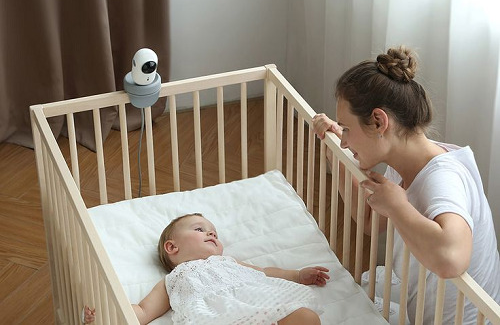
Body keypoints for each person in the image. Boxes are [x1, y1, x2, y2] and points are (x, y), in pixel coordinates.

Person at [312, 45, 500, 324]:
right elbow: (370, 220)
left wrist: (399, 205)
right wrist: (336, 155)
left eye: (347, 129)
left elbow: (452, 257)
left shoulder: (442, 178)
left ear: (378, 122)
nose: (345, 141)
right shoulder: (405, 160)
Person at [84, 213, 329, 325]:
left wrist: (297, 275)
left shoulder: (229, 262)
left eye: (214, 232)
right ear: (172, 247)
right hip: (215, 317)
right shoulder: (174, 279)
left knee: (306, 317)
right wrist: (107, 313)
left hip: (259, 308)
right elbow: (142, 311)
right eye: (199, 230)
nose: (211, 233)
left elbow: (264, 272)